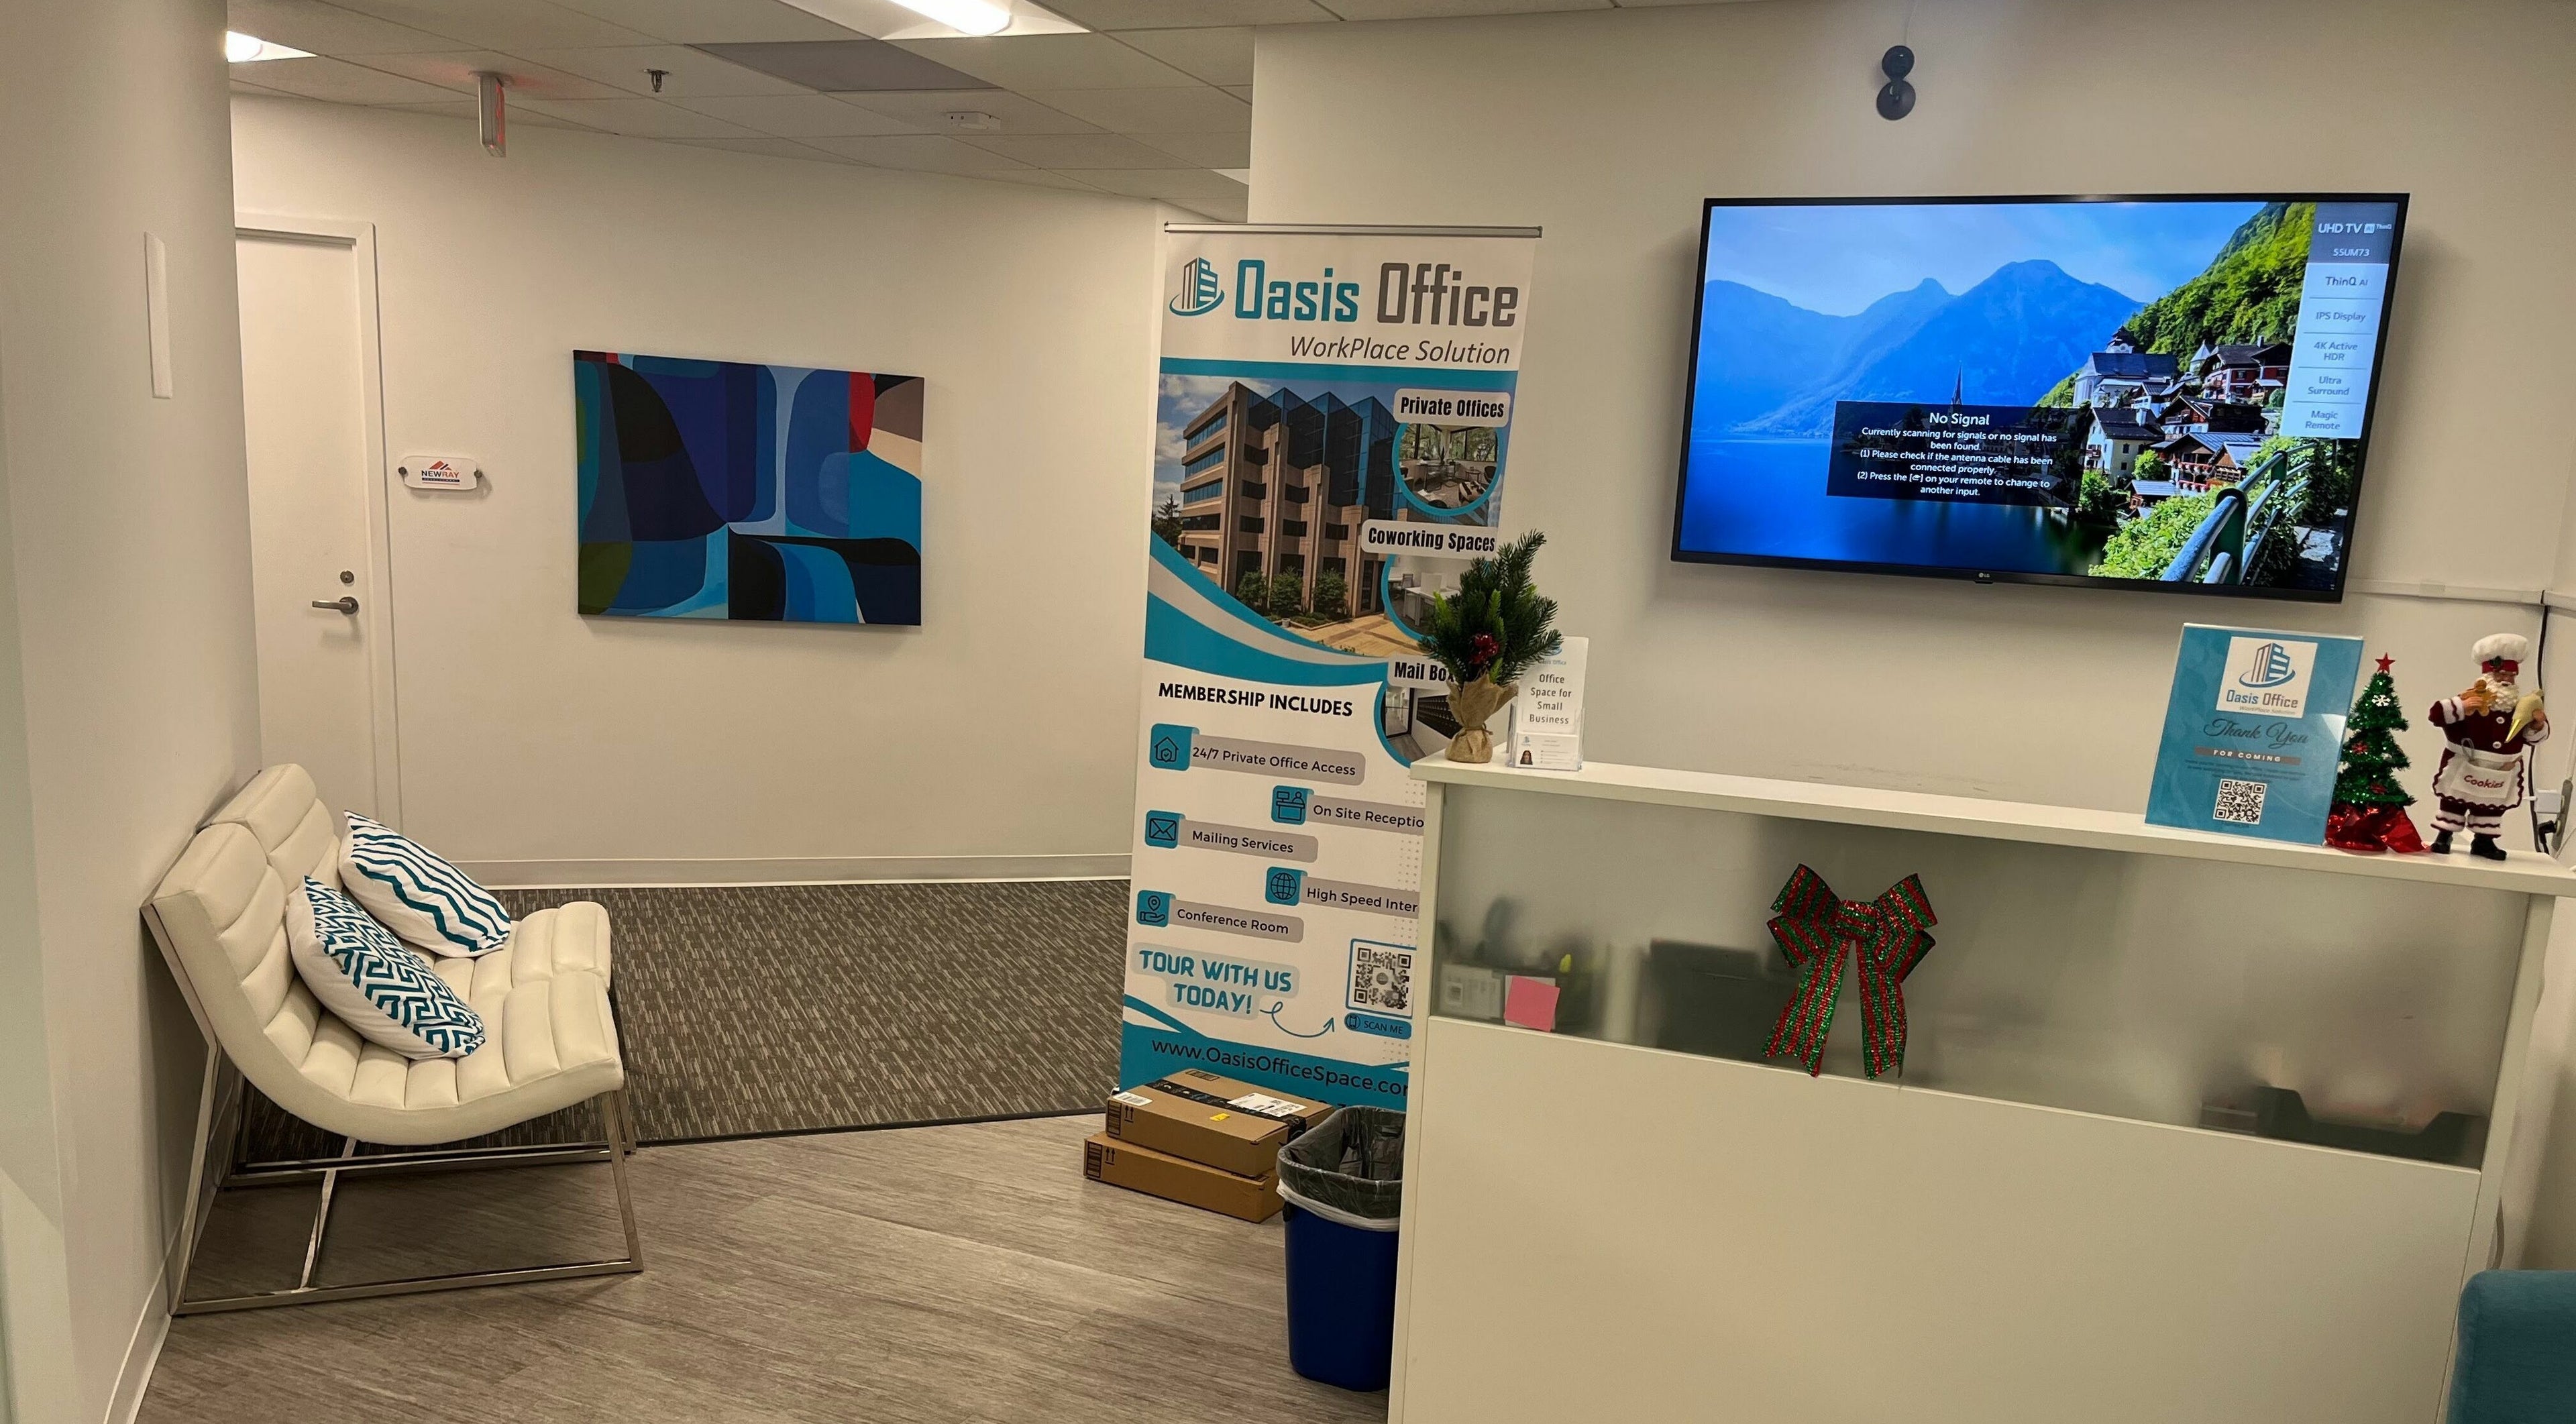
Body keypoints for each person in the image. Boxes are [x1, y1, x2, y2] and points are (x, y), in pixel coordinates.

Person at [2427, 633, 2548, 859]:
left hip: (2499, 771)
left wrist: (2538, 723)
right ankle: (2444, 836)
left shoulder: (2520, 708)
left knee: (2491, 807)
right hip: (2466, 764)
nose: (2506, 680)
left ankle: (2484, 842)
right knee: (2453, 802)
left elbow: (2535, 740)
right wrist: (2461, 706)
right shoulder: (2471, 701)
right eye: (2501, 674)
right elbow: (2436, 716)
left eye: (2511, 676)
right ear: (2488, 675)